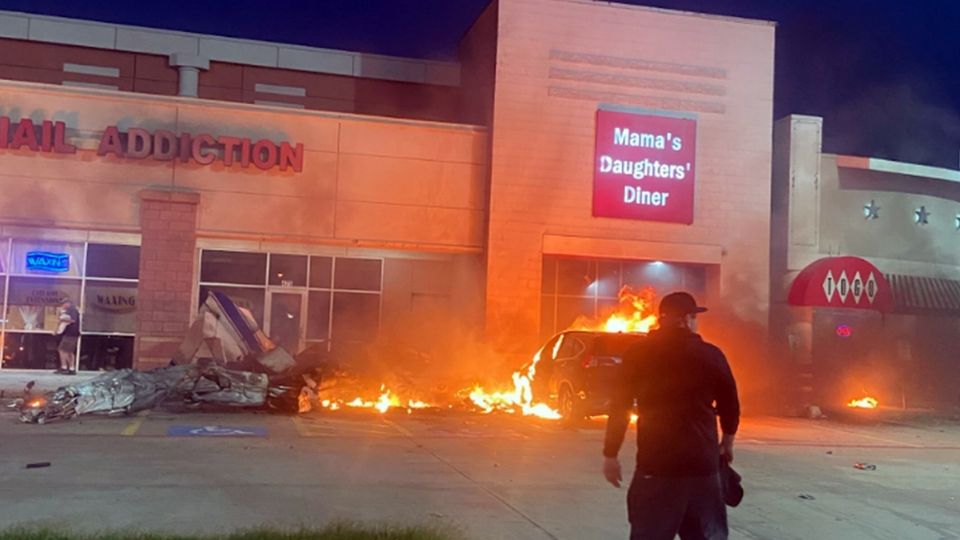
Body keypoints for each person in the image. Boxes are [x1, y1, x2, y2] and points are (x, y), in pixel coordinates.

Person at [603, 291, 740, 540]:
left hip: (656, 466)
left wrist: (610, 454)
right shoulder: (711, 355)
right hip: (702, 467)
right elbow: (730, 403)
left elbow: (619, 407)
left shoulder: (638, 355)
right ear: (686, 319)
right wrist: (727, 442)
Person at [55, 299, 81, 374]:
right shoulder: (72, 310)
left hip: (70, 333)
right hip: (72, 333)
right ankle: (71, 368)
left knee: (62, 350)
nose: (62, 306)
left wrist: (63, 320)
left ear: (68, 303)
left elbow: (73, 320)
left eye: (63, 304)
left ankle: (64, 367)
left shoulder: (71, 310)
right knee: (69, 351)